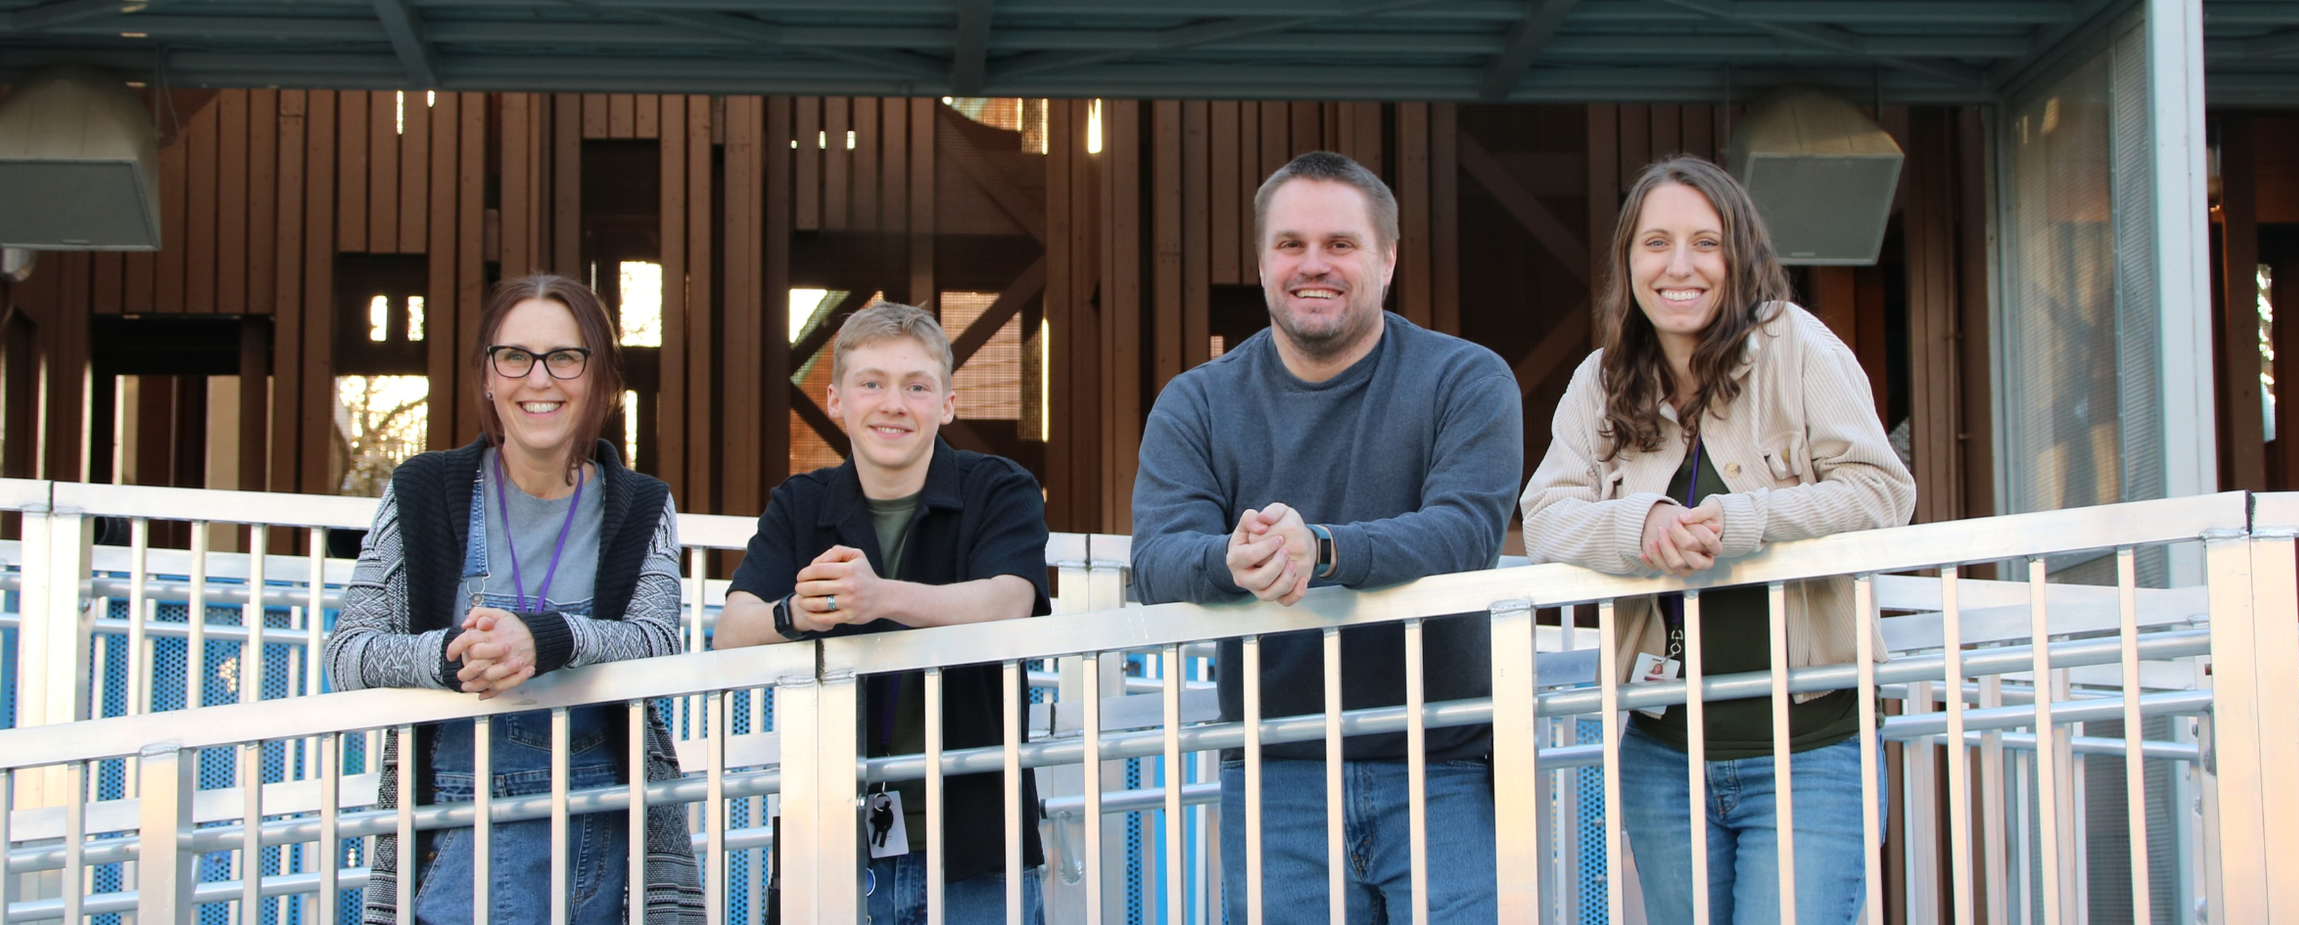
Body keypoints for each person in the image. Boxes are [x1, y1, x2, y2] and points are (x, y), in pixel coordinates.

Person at [1129, 150, 1523, 924]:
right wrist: (1230, 561)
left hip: (1444, 765)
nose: (1315, 265)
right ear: (1262, 259)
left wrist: (1324, 549)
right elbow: (1156, 558)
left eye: (1341, 244)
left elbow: (1466, 532)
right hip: (1278, 775)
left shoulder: (1465, 379)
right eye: (1291, 245)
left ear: (1387, 258)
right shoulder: (1196, 403)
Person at [1520, 156, 1916, 924]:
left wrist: (1742, 522)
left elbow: (1880, 489)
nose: (1679, 266)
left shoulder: (1796, 345)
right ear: (1628, 262)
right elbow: (1546, 516)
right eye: (1655, 242)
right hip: (1664, 755)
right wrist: (1642, 522)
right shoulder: (1601, 382)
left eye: (1706, 243)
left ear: (1741, 256)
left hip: (1812, 746)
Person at [324, 274, 701, 925]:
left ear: (599, 377)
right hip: (452, 823)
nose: (539, 379)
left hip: (602, 826)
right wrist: (451, 655)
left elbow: (657, 643)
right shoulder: (419, 491)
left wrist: (548, 639)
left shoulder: (643, 504)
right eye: (515, 356)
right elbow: (349, 652)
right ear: (488, 376)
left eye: (565, 356)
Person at [713, 300, 1051, 924]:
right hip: (831, 837)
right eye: (871, 383)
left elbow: (1010, 601)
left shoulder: (1000, 486)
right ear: (836, 400)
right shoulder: (797, 503)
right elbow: (732, 632)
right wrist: (797, 614)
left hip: (976, 836)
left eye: (916, 386)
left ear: (947, 404)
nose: (893, 403)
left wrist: (879, 597)